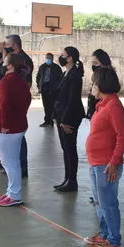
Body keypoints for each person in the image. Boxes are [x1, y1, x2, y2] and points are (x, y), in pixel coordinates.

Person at [84, 67, 124, 247]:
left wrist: (114, 161)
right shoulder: (102, 104)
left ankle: (114, 241)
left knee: (108, 203)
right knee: (99, 202)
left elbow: (123, 136)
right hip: (96, 162)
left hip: (106, 165)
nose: (92, 86)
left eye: (94, 83)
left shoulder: (113, 106)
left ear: (102, 85)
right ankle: (104, 234)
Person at [0, 52, 31, 206]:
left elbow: (4, 103)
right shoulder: (22, 82)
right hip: (15, 128)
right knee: (11, 162)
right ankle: (12, 192)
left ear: (10, 65)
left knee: (10, 163)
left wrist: (5, 124)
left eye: (5, 60)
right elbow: (26, 102)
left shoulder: (6, 81)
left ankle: (15, 195)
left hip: (6, 130)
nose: (3, 62)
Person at [53, 46, 86, 192]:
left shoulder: (75, 74)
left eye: (63, 55)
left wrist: (65, 120)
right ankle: (67, 179)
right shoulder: (65, 73)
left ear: (70, 57)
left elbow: (73, 99)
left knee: (70, 148)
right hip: (61, 115)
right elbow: (59, 96)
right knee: (65, 148)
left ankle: (72, 181)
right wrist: (55, 116)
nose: (60, 57)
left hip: (71, 116)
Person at [36, 52, 63, 127]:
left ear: (52, 59)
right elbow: (38, 77)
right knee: (46, 105)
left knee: (52, 106)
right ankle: (47, 121)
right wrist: (39, 86)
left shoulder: (57, 68)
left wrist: (57, 88)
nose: (48, 59)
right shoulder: (42, 67)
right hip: (44, 88)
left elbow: (60, 79)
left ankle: (52, 121)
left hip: (53, 89)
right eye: (47, 58)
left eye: (50, 58)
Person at [87, 49, 112, 120]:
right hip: (95, 112)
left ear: (104, 63)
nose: (93, 66)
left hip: (101, 113)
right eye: (92, 63)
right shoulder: (96, 76)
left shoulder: (108, 77)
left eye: (95, 63)